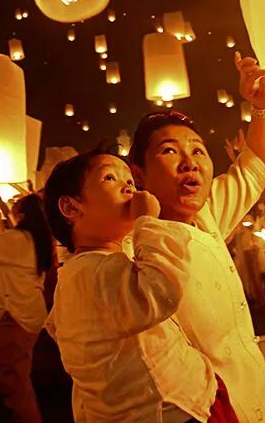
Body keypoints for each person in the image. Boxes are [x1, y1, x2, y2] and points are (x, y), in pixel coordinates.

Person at [128, 52, 265, 423]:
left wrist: (261, 106)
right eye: (170, 151)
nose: (190, 162)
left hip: (258, 390)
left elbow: (257, 166)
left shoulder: (208, 212)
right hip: (206, 411)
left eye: (198, 150)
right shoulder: (130, 248)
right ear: (138, 173)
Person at [43, 146, 236, 423]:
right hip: (173, 409)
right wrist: (149, 222)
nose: (128, 186)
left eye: (130, 181)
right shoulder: (92, 271)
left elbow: (58, 327)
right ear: (71, 207)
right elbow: (161, 290)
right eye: (109, 178)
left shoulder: (79, 272)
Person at [0, 192, 55, 423]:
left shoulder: (19, 239)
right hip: (26, 311)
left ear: (21, 213)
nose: (10, 207)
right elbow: (5, 251)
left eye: (14, 204)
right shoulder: (34, 238)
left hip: (17, 314)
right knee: (17, 375)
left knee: (12, 379)